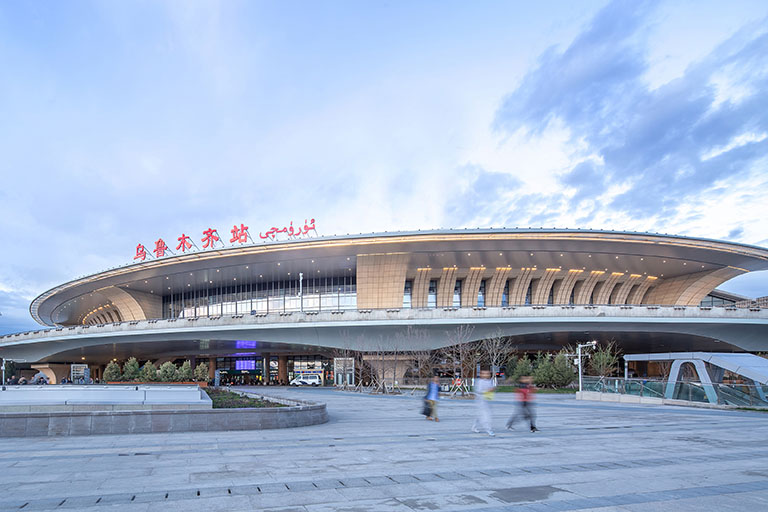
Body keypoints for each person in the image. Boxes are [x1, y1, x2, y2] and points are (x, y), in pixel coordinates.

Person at [472, 370, 495, 436]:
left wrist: (492, 389)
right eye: (484, 374)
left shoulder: (490, 381)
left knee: (480, 415)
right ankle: (489, 429)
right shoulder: (480, 382)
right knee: (486, 416)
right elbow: (479, 391)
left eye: (488, 373)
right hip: (481, 401)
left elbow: (491, 390)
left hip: (487, 400)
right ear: (481, 375)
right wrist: (488, 390)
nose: (486, 375)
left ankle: (474, 427)